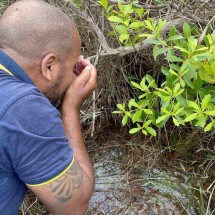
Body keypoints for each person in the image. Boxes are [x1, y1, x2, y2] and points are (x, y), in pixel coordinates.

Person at [0, 0, 96, 214]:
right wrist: (70, 108)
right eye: (71, 67)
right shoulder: (24, 110)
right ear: (49, 66)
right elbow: (74, 206)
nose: (73, 76)